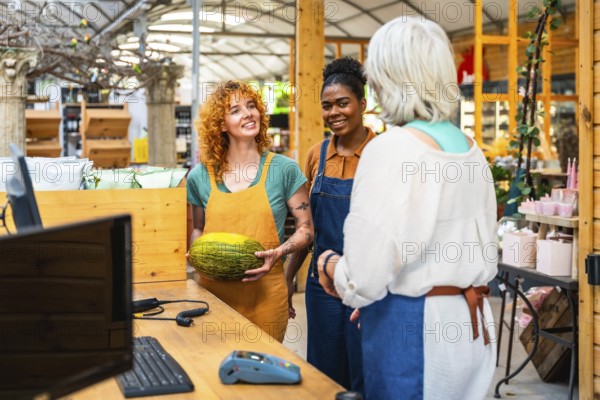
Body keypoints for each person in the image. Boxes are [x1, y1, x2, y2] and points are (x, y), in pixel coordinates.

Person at [317, 17, 498, 400]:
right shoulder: (470, 148)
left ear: (388, 78)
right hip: (471, 326)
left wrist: (331, 266)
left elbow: (363, 275)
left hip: (415, 333)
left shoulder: (392, 149)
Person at [186, 80, 313, 343]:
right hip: (213, 296)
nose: (247, 113)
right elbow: (198, 228)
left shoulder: (284, 170)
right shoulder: (200, 176)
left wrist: (280, 252)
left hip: (266, 296)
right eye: (235, 110)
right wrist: (197, 256)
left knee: (262, 374)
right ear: (220, 125)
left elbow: (306, 229)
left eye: (251, 106)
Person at [286, 57, 376, 393]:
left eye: (343, 103)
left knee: (364, 373)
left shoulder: (380, 152)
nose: (334, 112)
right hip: (320, 286)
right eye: (327, 106)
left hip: (367, 282)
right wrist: (287, 279)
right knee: (323, 375)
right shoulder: (316, 156)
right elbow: (308, 228)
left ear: (362, 104)